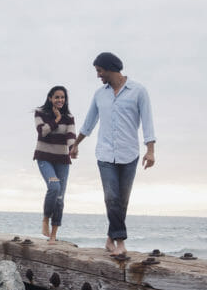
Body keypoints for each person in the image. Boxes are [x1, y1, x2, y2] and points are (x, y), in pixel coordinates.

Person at [70, 52, 156, 257]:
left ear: (110, 69)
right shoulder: (100, 94)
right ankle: (120, 243)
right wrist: (75, 144)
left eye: (100, 71)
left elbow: (147, 122)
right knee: (111, 197)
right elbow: (89, 123)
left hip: (129, 154)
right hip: (105, 154)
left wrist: (150, 151)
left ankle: (110, 238)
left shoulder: (139, 91)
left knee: (122, 201)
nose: (98, 75)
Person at [33, 86, 77, 244]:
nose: (60, 100)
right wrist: (57, 119)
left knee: (60, 197)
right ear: (50, 98)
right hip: (44, 157)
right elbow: (42, 131)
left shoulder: (69, 117)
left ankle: (53, 235)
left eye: (63, 97)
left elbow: (71, 135)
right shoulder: (40, 112)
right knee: (54, 187)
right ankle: (45, 219)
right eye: (57, 97)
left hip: (62, 160)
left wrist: (73, 149)